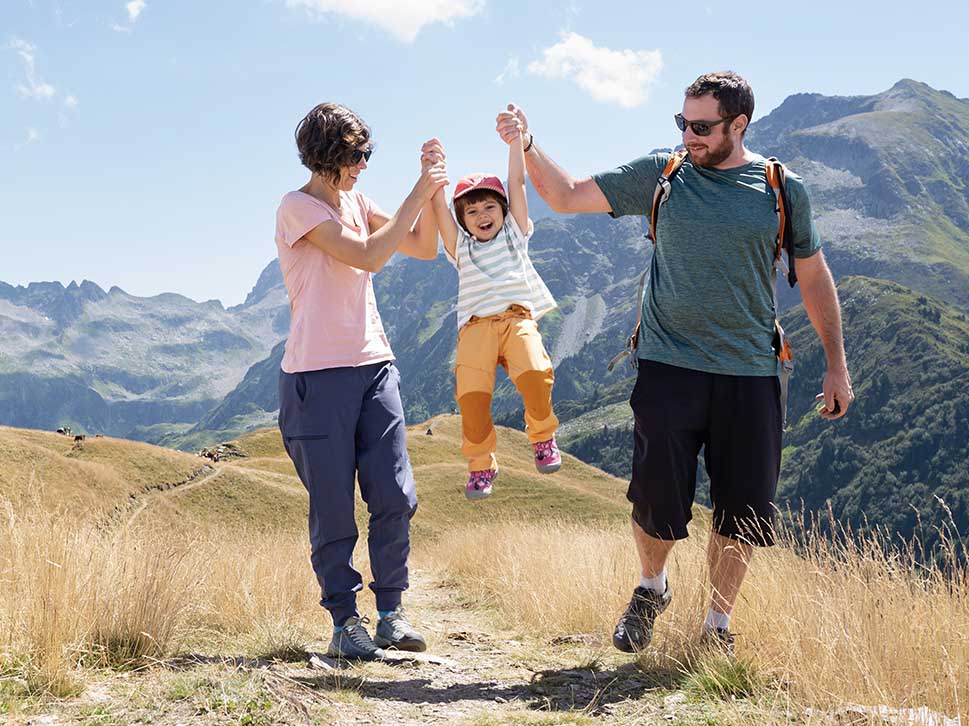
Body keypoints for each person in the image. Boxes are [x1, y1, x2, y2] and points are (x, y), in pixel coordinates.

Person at [497, 72, 855, 655]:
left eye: (702, 125)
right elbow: (564, 195)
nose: (689, 134)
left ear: (738, 125)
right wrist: (529, 143)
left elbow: (813, 274)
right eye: (682, 122)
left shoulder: (780, 189)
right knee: (656, 499)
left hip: (752, 372)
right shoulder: (663, 175)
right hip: (668, 365)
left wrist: (836, 365)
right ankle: (651, 587)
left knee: (742, 512)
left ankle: (717, 626)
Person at [275, 101, 448, 661]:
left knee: (395, 494)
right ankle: (344, 620)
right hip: (315, 377)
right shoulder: (297, 208)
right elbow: (371, 256)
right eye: (355, 154)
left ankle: (391, 614)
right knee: (333, 506)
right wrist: (418, 191)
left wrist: (436, 186)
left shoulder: (357, 200)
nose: (363, 165)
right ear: (325, 154)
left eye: (366, 153)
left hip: (375, 367)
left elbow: (422, 246)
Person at [429, 123, 560, 500]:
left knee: (535, 372)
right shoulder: (460, 248)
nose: (482, 215)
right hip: (475, 330)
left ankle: (542, 436)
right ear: (462, 219)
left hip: (516, 319)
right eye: (472, 211)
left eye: (489, 206)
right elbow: (438, 208)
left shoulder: (516, 232)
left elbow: (517, 183)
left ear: (502, 209)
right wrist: (434, 169)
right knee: (471, 398)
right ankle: (481, 466)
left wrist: (516, 141)